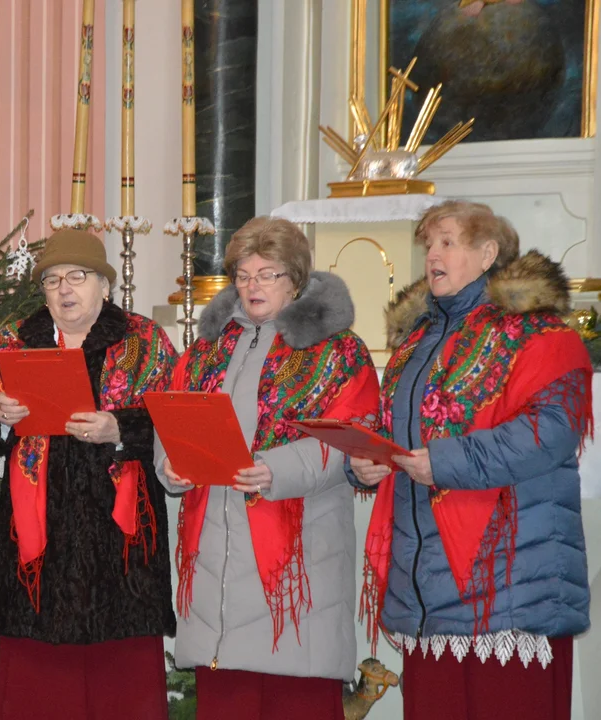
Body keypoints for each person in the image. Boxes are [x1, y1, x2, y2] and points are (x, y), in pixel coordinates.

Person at [351, 200, 593, 720]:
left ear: (488, 254)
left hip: (510, 579)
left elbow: (548, 432)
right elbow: (394, 430)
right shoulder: (415, 340)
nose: (432, 255)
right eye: (428, 245)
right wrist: (371, 462)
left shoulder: (542, 333)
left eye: (447, 242)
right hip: (427, 581)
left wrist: (442, 460)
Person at [161, 216, 379, 720]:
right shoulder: (203, 355)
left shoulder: (338, 352)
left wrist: (275, 468)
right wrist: (171, 466)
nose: (251, 285)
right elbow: (171, 423)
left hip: (301, 561)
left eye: (267, 273)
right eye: (242, 273)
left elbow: (352, 436)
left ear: (296, 280)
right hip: (216, 554)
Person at [0, 229, 177, 719]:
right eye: (52, 280)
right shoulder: (14, 341)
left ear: (104, 285)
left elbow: (175, 419)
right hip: (35, 551)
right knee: (39, 692)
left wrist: (117, 427)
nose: (64, 289)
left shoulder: (144, 340)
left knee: (121, 689)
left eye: (77, 277)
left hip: (121, 547)